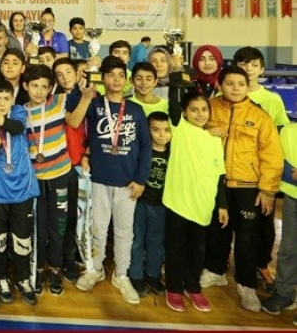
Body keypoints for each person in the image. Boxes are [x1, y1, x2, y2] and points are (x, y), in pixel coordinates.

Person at [199, 66, 283, 313]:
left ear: (248, 87)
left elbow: (272, 156)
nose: (235, 88)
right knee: (216, 231)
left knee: (247, 238)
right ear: (220, 85)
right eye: (229, 83)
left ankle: (246, 285)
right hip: (215, 182)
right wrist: (206, 131)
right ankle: (216, 271)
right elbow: (191, 132)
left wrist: (267, 190)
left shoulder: (260, 116)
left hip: (248, 186)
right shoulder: (208, 108)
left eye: (240, 84)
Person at [70, 56, 152, 305]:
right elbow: (75, 122)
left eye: (120, 75)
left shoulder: (135, 110)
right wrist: (84, 93)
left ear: (126, 80)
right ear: (102, 79)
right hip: (99, 179)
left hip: (128, 182)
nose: (116, 80)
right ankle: (95, 268)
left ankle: (121, 274)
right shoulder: (94, 104)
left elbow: (146, 146)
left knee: (125, 231)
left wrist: (141, 179)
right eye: (110, 75)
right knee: (98, 228)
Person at [23, 65, 94, 296]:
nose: (39, 91)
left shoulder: (58, 102)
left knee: (58, 227)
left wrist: (85, 97)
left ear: (50, 88)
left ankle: (55, 268)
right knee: (38, 228)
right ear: (25, 86)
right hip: (35, 180)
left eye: (44, 86)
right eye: (34, 86)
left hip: (61, 175)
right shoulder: (20, 112)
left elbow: (74, 122)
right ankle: (37, 268)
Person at [162, 93, 228, 312]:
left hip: (203, 205)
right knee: (175, 249)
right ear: (184, 112)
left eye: (204, 109)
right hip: (178, 202)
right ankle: (173, 288)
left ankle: (193, 287)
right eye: (193, 110)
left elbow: (219, 174)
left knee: (198, 250)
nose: (200, 114)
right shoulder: (180, 129)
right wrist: (178, 74)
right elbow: (173, 101)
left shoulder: (215, 139)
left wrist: (222, 205)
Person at [0, 79, 40, 306]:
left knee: (22, 238)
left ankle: (23, 279)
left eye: (6, 98)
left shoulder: (19, 111)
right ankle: (2, 278)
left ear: (12, 99)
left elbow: (16, 128)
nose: (2, 103)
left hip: (22, 188)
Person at [233, 47, 290, 294]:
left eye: (253, 64)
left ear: (262, 69)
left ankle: (261, 265)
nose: (248, 69)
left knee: (263, 226)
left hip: (260, 175)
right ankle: (219, 263)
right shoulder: (224, 92)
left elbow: (280, 136)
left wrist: (271, 176)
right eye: (242, 64)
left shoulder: (272, 100)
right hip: (232, 173)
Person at [128, 111, 171, 299]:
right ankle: (136, 275)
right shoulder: (141, 150)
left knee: (156, 242)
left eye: (166, 130)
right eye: (156, 130)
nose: (162, 135)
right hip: (139, 202)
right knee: (137, 240)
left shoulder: (174, 152)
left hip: (162, 204)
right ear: (147, 130)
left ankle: (153, 275)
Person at [260, 122, 297, 321]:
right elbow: (280, 164)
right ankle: (284, 293)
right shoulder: (288, 132)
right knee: (288, 250)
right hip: (293, 197)